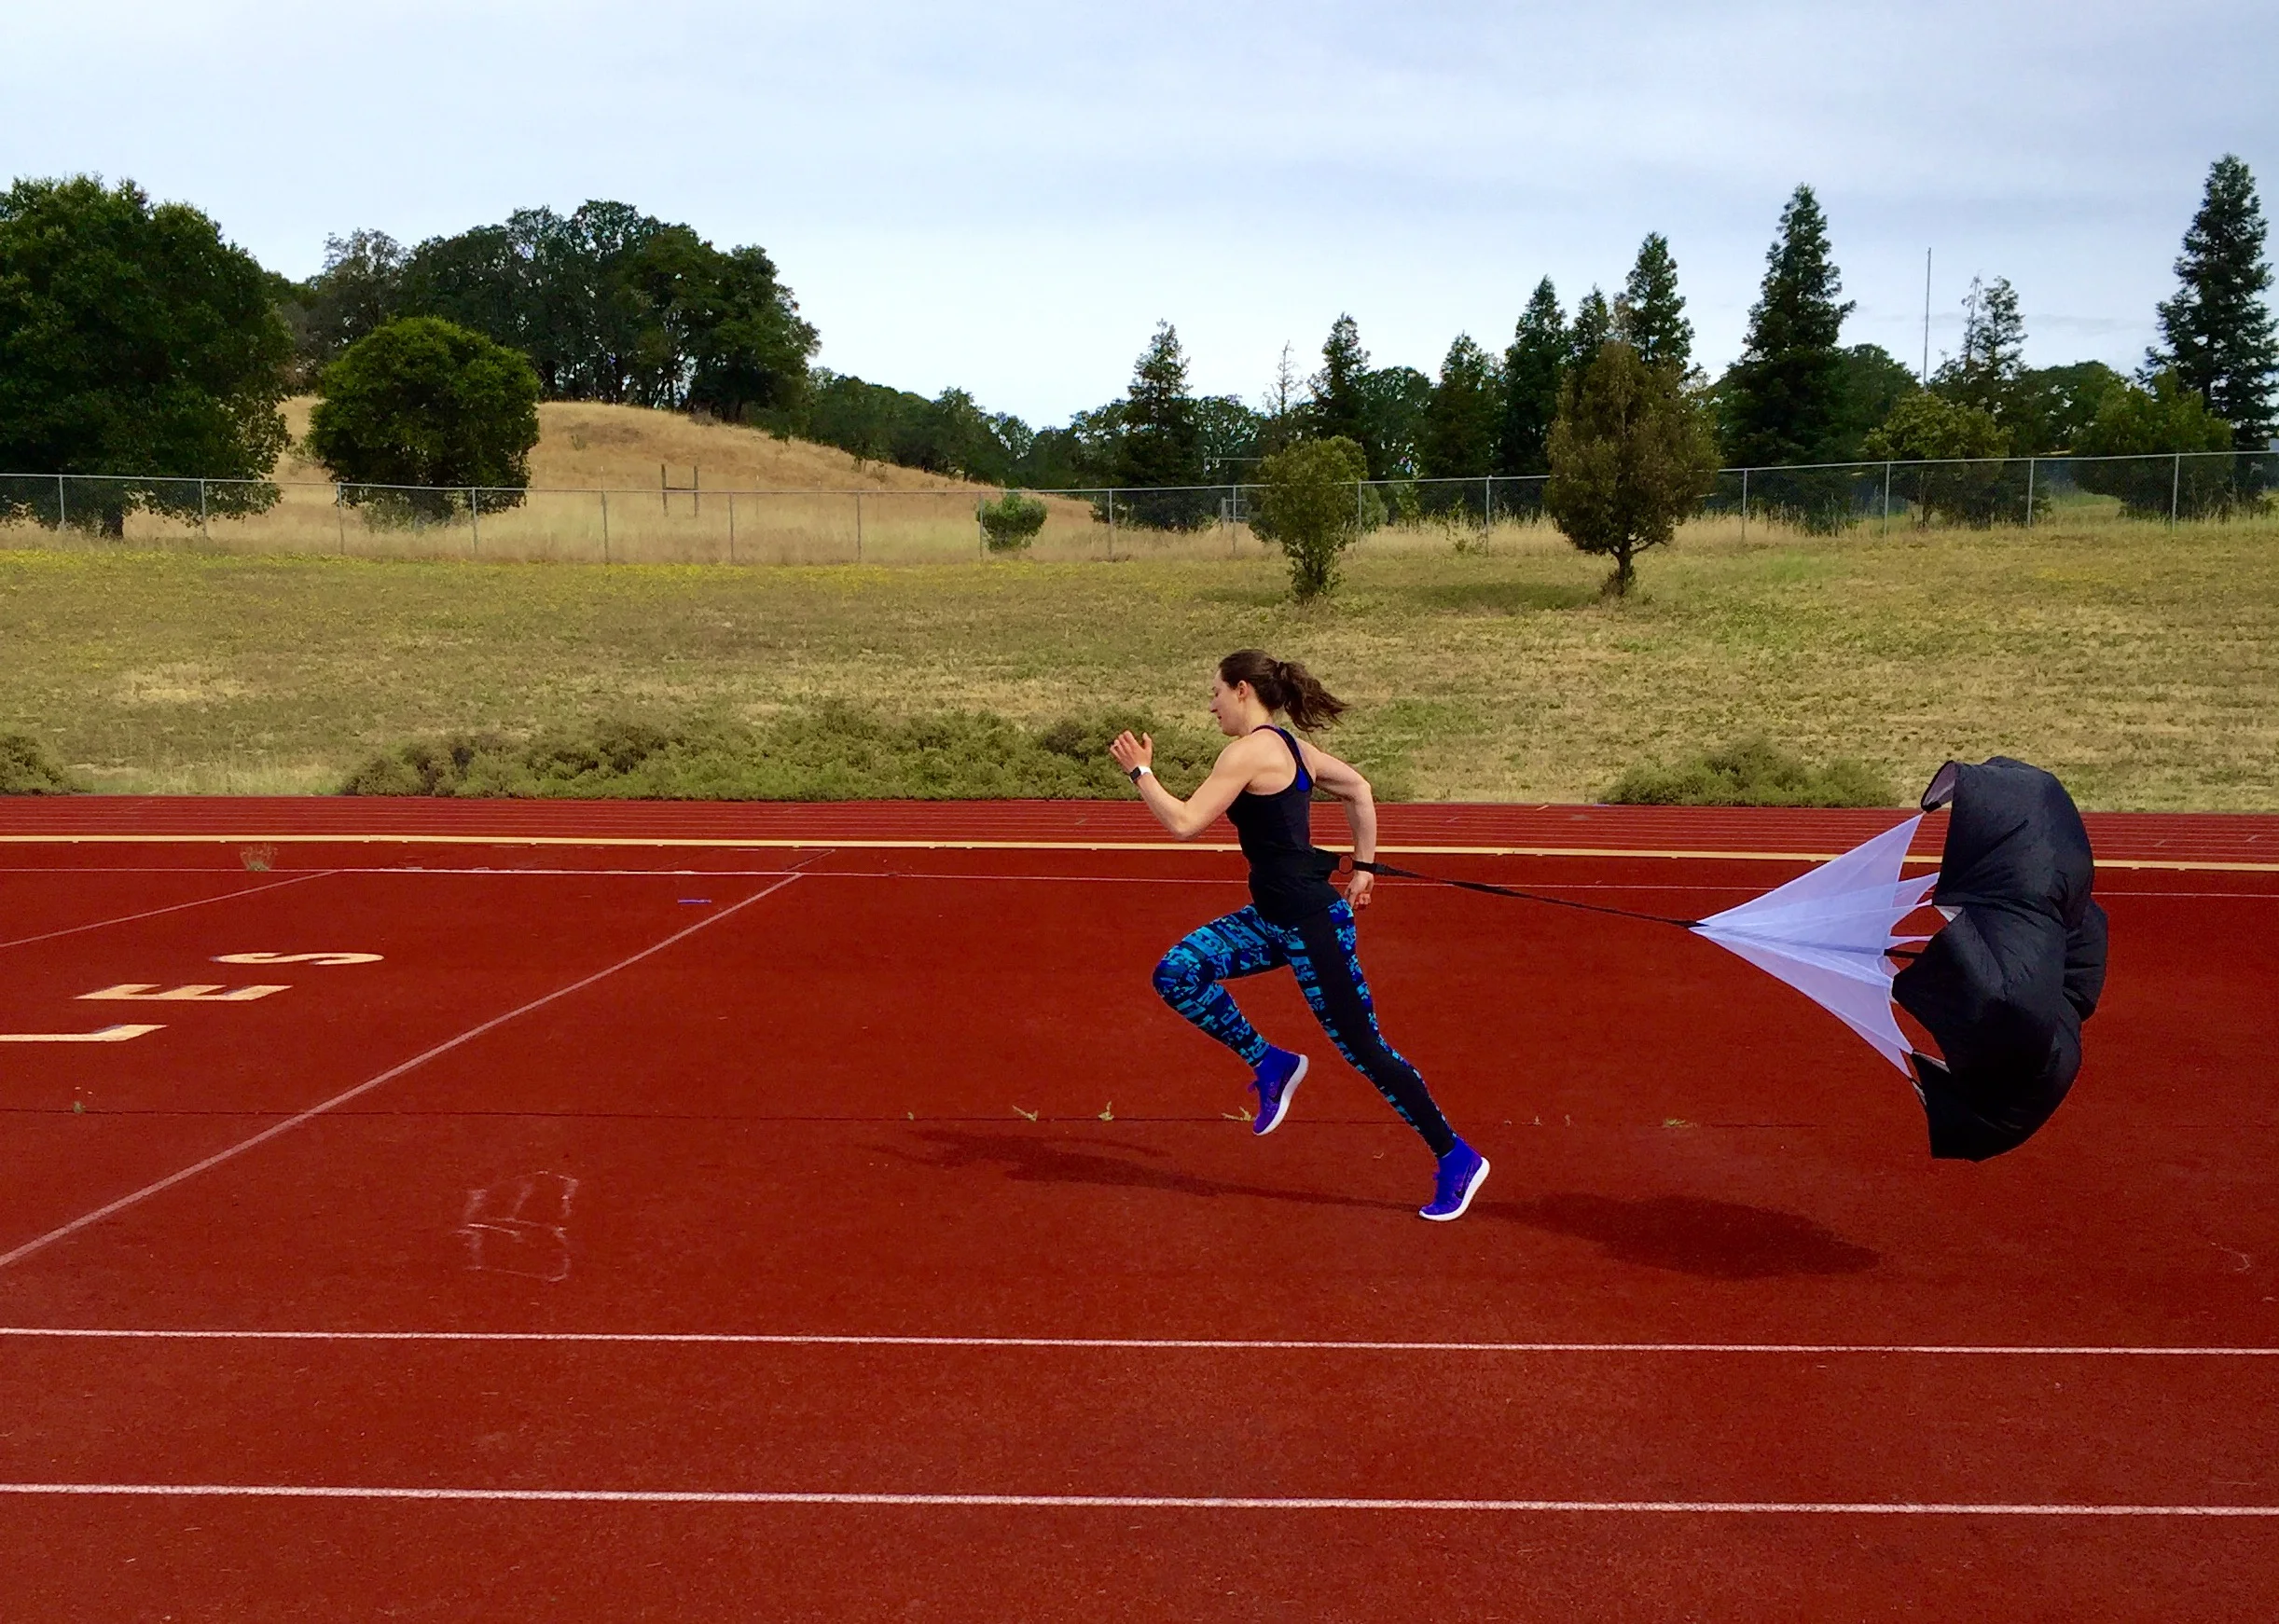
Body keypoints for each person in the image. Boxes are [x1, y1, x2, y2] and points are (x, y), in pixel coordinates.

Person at [1109, 649, 1488, 1221]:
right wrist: (1363, 866)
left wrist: (1141, 773)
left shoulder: (1249, 751)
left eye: (1214, 692)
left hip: (1312, 927)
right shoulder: (1290, 746)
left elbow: (1184, 823)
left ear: (1242, 691)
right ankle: (1271, 1063)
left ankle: (1456, 1156)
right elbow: (1358, 788)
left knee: (1365, 1050)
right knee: (1179, 972)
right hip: (1272, 920)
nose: (1209, 705)